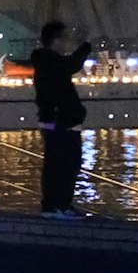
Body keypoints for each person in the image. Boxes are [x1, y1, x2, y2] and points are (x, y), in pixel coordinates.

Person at [27, 21, 89, 215]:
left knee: (69, 164)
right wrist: (85, 47)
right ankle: (54, 206)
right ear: (56, 40)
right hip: (58, 121)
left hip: (63, 121)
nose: (68, 43)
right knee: (60, 164)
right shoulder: (49, 60)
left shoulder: (49, 61)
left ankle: (61, 204)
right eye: (66, 38)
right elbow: (71, 65)